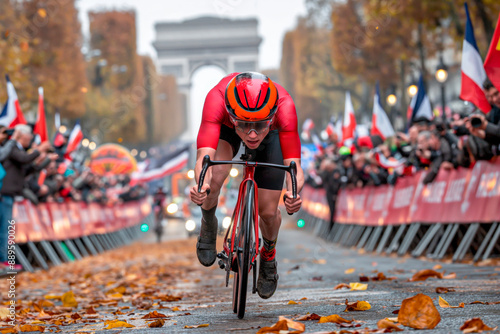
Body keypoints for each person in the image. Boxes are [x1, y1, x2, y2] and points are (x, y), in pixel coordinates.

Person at [189, 72, 304, 299]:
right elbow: (204, 159)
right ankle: (208, 221)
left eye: (259, 125)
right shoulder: (216, 100)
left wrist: (293, 192)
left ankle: (268, 254)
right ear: (231, 114)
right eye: (244, 125)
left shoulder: (285, 105)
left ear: (272, 116)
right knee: (215, 175)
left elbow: (294, 166)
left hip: (271, 136)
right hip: (226, 129)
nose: (251, 134)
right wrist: (201, 186)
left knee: (269, 211)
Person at [0, 124, 53, 267]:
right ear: (22, 135)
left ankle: (4, 260)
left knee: (7, 229)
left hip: (9, 194)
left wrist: (43, 160)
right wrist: (38, 150)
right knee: (4, 229)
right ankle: (3, 260)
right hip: (4, 193)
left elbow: (26, 170)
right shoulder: (11, 148)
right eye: (29, 137)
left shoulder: (15, 148)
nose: (30, 140)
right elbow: (23, 159)